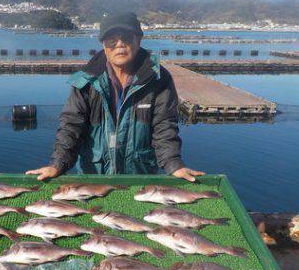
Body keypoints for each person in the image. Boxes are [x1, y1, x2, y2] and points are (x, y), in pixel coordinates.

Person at [27, 12, 204, 182]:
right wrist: (57, 164)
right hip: (94, 178)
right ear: (103, 44)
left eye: (126, 37)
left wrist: (174, 164)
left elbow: (164, 127)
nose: (119, 44)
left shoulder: (158, 79)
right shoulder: (87, 80)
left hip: (139, 178)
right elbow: (71, 126)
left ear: (139, 39)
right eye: (111, 39)